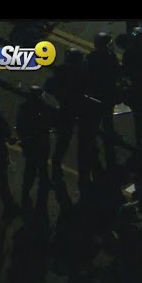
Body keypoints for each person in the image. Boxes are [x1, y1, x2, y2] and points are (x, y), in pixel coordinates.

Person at [46, 48, 86, 184]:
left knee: (64, 138)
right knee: (79, 139)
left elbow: (49, 87)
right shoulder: (80, 72)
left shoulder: (62, 70)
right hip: (75, 108)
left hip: (65, 108)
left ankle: (57, 163)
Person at [85, 32, 122, 168]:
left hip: (96, 93)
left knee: (96, 118)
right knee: (107, 117)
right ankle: (108, 136)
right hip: (107, 93)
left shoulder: (91, 57)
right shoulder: (110, 57)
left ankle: (93, 143)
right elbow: (118, 73)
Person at [16, 86, 52, 211]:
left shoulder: (24, 108)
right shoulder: (41, 108)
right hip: (37, 143)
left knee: (33, 168)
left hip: (32, 144)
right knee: (35, 167)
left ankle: (29, 190)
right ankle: (31, 189)